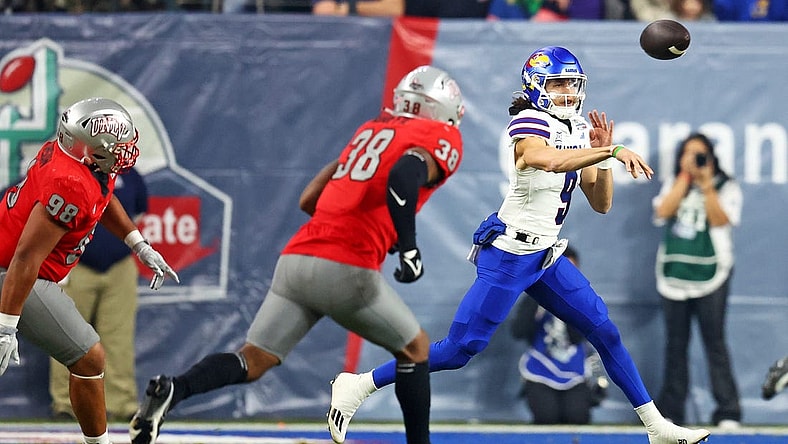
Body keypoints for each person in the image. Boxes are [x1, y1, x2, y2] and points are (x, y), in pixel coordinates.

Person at [328, 46, 711, 444]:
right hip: (510, 253)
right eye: (559, 82)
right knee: (459, 351)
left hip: (546, 255)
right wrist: (610, 150)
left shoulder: (578, 128)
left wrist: (602, 159)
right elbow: (547, 160)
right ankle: (358, 384)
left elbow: (601, 203)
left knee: (604, 331)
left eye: (573, 83)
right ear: (537, 85)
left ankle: (656, 427)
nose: (568, 91)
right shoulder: (528, 121)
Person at [128, 65, 465, 444]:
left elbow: (309, 200)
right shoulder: (440, 134)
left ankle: (176, 388)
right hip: (346, 266)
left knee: (252, 360)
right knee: (416, 348)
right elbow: (403, 178)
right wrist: (408, 248)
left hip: (296, 258)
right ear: (442, 108)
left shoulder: (370, 132)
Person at [0, 97, 178, 444]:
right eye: (120, 144)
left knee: (89, 358)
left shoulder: (80, 163)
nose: (127, 150)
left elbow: (103, 196)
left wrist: (138, 244)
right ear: (93, 148)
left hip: (20, 267)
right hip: (12, 272)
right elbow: (25, 257)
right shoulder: (69, 184)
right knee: (89, 356)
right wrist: (6, 327)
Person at [652, 133, 742, 428]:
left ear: (712, 158)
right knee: (675, 345)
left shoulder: (726, 186)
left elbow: (720, 220)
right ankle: (672, 411)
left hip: (712, 275)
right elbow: (663, 211)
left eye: (700, 155)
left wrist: (705, 185)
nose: (694, 160)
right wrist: (683, 178)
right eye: (688, 154)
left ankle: (728, 410)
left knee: (715, 343)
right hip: (675, 275)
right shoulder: (675, 184)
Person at [49, 166, 149, 422]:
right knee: (66, 336)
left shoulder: (129, 175)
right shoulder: (66, 170)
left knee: (119, 336)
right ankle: (65, 403)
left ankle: (122, 402)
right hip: (74, 263)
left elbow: (138, 213)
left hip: (120, 266)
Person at [510, 245, 608, 425]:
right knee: (547, 418)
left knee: (577, 418)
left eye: (572, 271)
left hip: (575, 372)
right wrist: (537, 297)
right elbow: (518, 331)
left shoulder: (584, 300)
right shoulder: (533, 296)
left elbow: (578, 337)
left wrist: (569, 305)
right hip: (540, 370)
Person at [312, 0, 404, 17]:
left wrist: (348, 8)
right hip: (338, 39)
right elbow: (323, 9)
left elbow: (393, 8)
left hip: (375, 41)